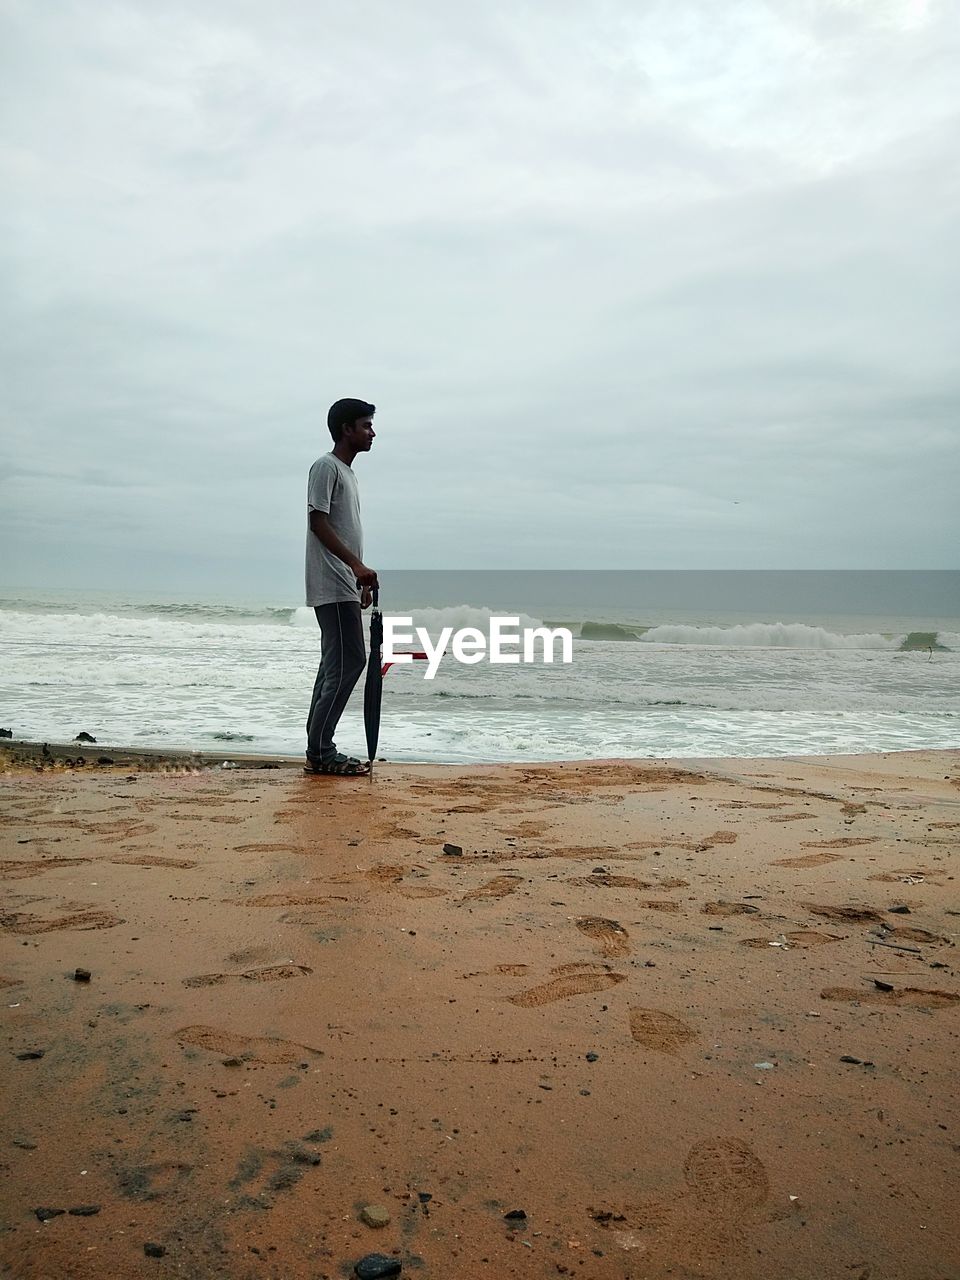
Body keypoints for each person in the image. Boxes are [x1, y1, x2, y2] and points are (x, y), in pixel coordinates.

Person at [304, 398, 378, 775]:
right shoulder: (325, 467)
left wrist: (359, 579)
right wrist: (354, 565)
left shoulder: (348, 474)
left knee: (335, 664)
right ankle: (321, 750)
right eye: (366, 425)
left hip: (343, 582)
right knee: (351, 661)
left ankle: (317, 748)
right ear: (347, 428)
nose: (372, 432)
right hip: (331, 580)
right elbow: (318, 522)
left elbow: (343, 528)